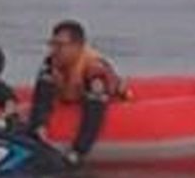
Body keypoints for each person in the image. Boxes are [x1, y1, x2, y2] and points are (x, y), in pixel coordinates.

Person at [25, 20, 127, 166]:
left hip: (104, 102)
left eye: (60, 45)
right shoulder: (51, 62)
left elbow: (94, 116)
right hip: (71, 98)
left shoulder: (94, 70)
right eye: (52, 44)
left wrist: (78, 151)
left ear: (77, 46)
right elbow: (42, 96)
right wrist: (39, 125)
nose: (54, 50)